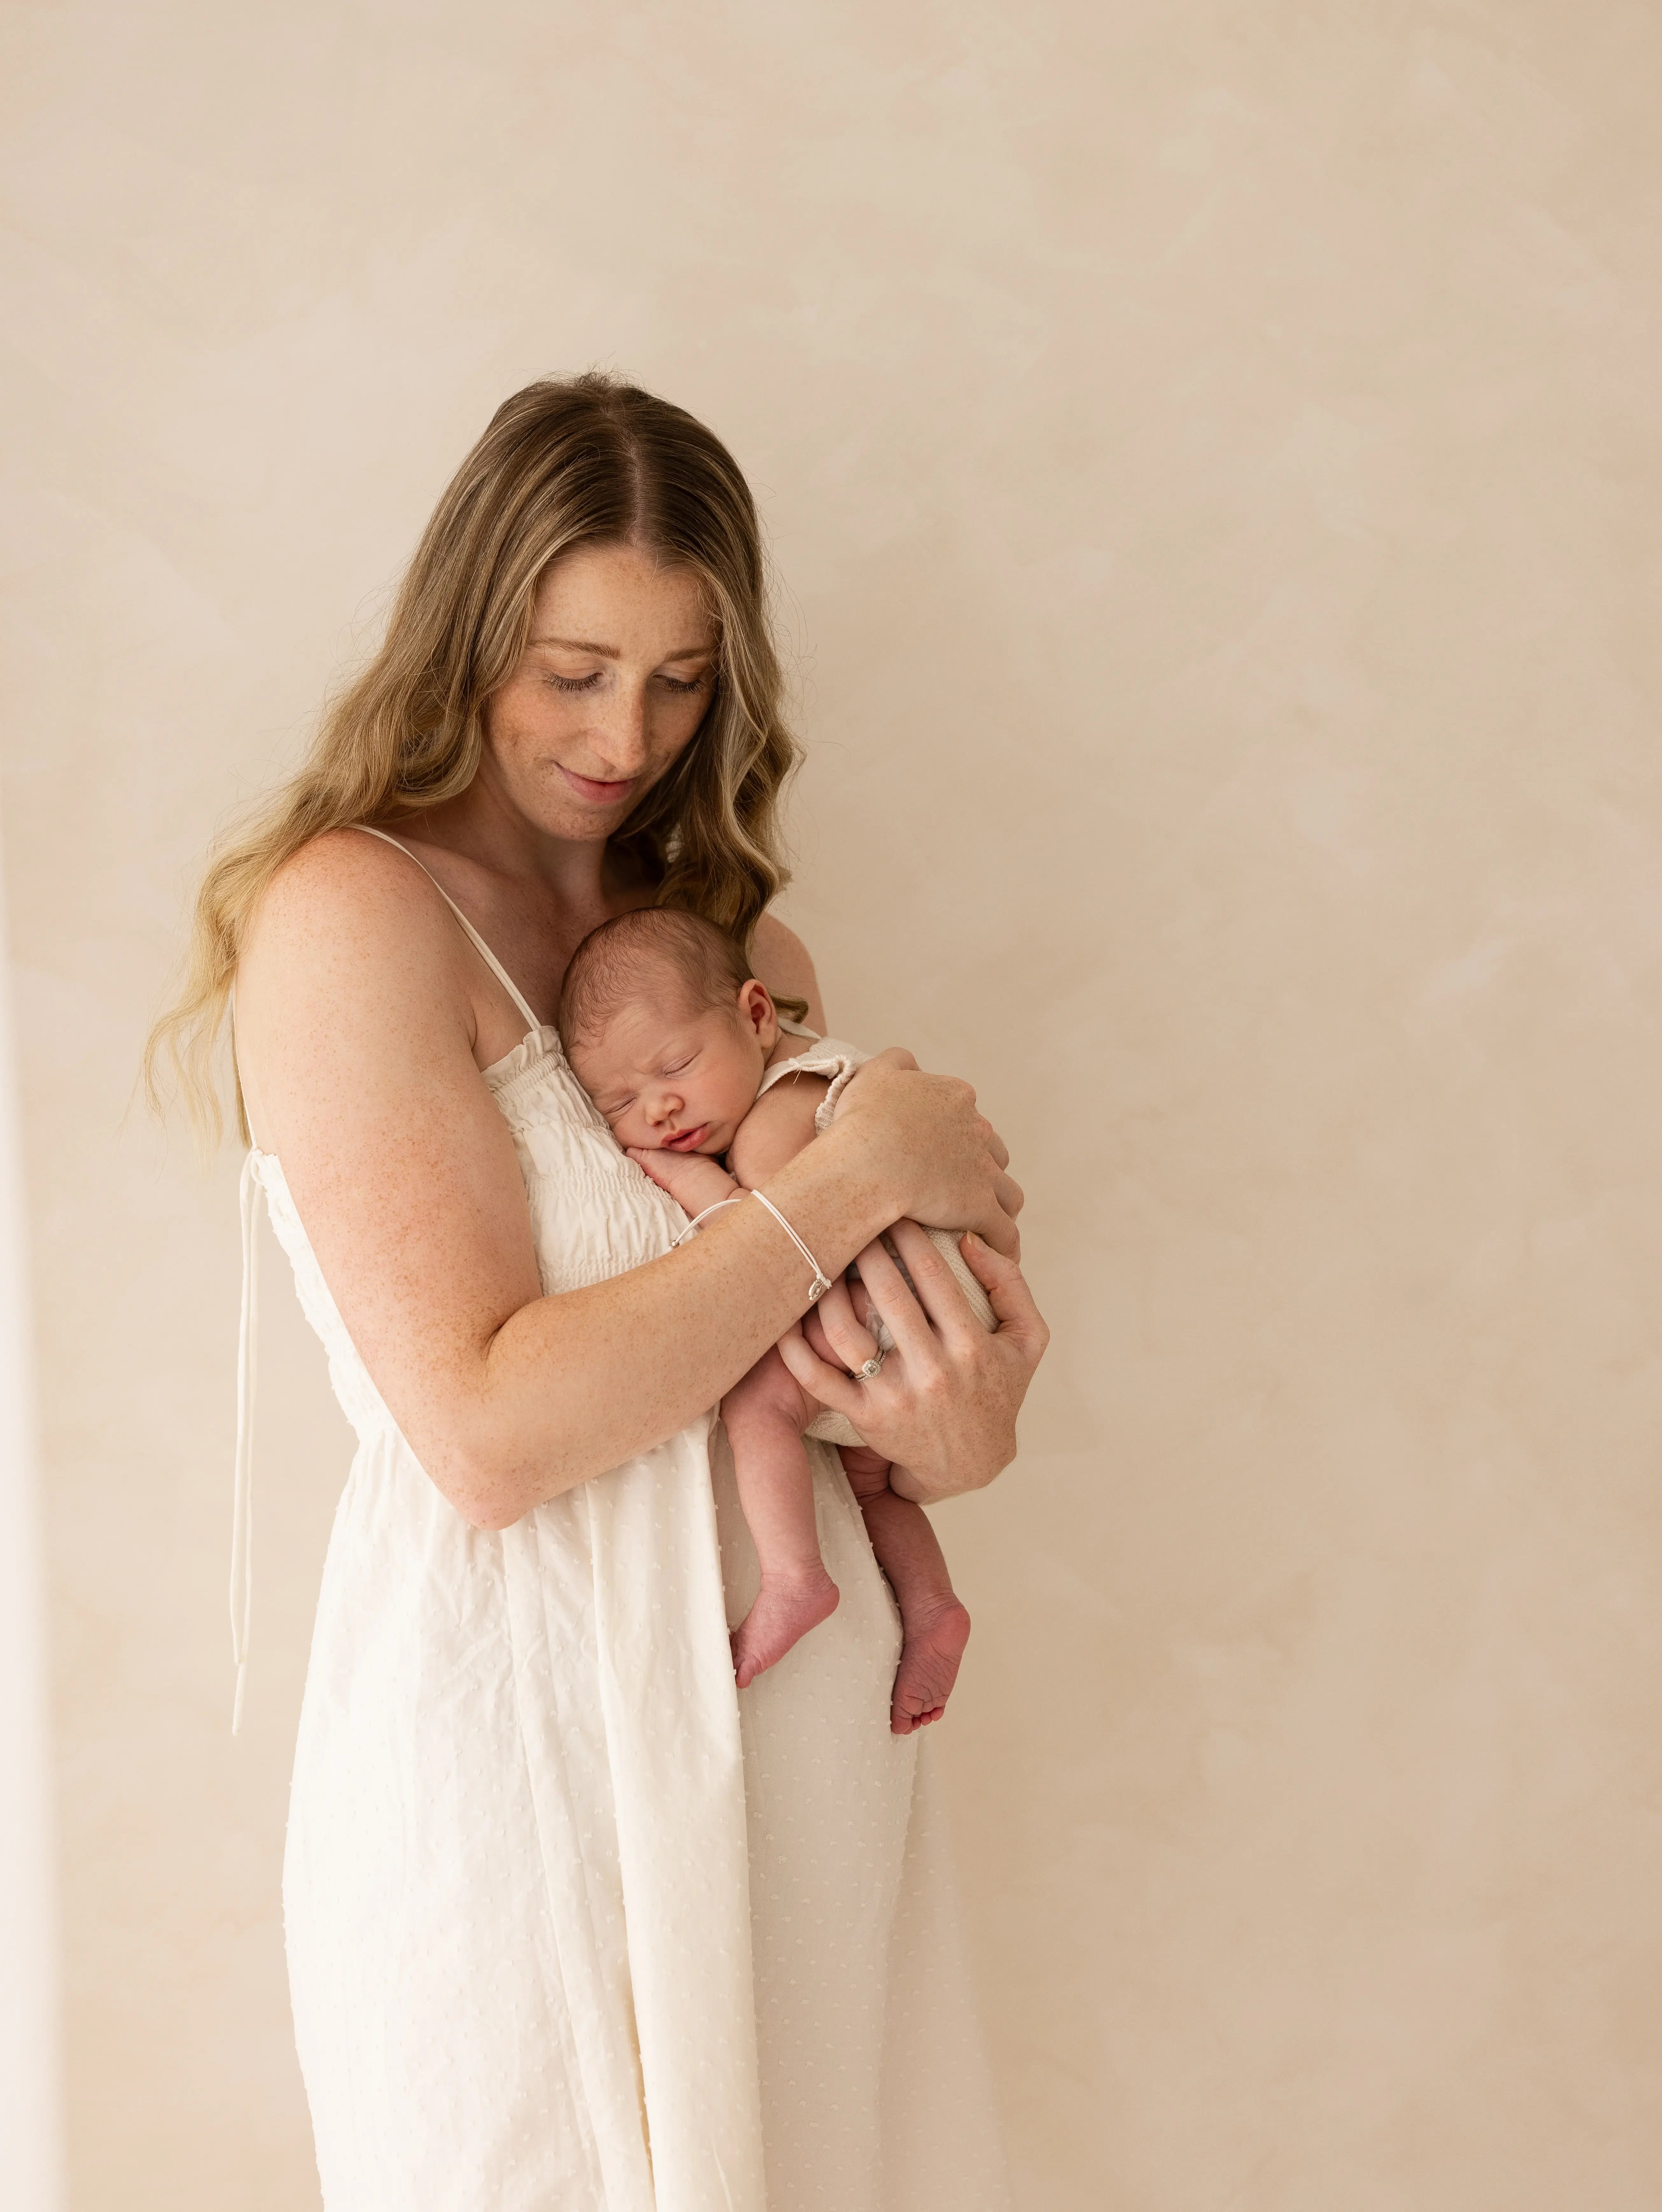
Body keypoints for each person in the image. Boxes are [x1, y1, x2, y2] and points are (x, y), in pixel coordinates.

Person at [148, 372, 1047, 2212]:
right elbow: (487, 1433)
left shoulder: (739, 952)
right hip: (522, 1734)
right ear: (469, 635)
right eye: (572, 671)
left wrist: (960, 1427)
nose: (625, 734)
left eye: (680, 679)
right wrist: (863, 1173)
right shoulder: (352, 917)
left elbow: (866, 1369)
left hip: (800, 1723)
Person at [557, 903, 989, 1733]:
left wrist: (694, 1185)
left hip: (900, 1305)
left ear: (758, 1015)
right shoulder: (807, 1080)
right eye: (620, 1103)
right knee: (869, 1483)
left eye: (675, 1065)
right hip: (925, 1311)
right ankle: (934, 1607)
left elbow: (777, 1250)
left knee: (758, 1403)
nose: (659, 1109)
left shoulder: (782, 1112)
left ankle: (796, 1581)